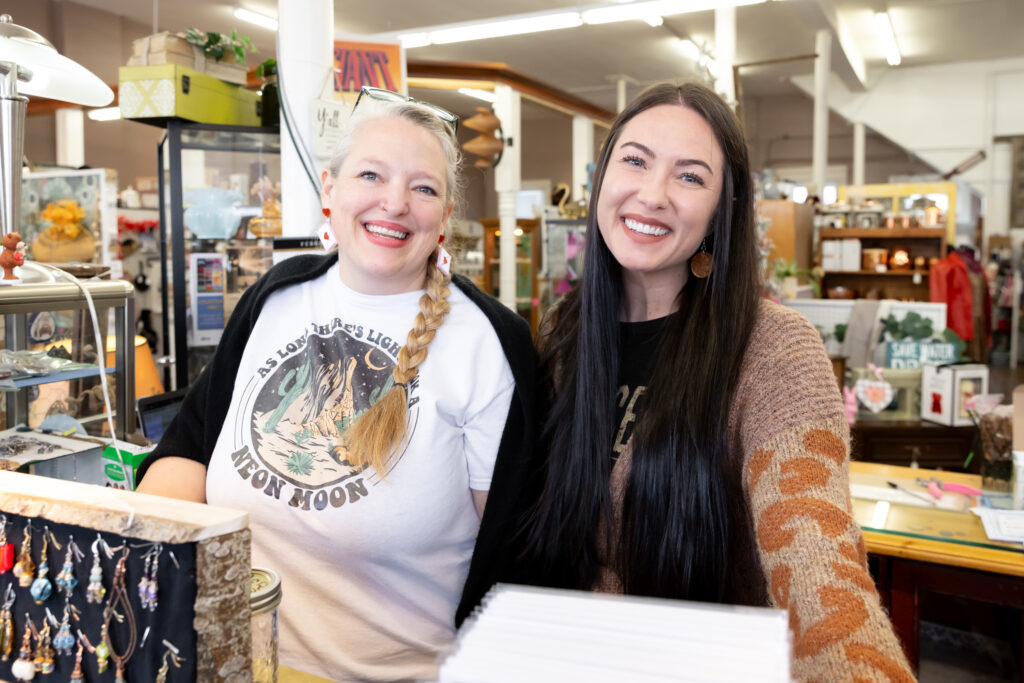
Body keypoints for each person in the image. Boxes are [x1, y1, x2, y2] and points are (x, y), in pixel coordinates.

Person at [136, 88, 537, 681]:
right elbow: (189, 450)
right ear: (330, 189)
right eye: (371, 175)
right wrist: (137, 558)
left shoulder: (488, 342)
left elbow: (514, 551)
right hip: (232, 664)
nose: (394, 203)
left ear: (445, 216)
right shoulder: (274, 296)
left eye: (423, 188)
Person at [521, 82, 914, 682]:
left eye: (690, 176)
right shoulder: (564, 335)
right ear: (602, 179)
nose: (652, 194)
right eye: (635, 161)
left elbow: (815, 557)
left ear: (721, 210)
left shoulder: (774, 350)